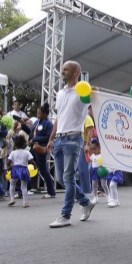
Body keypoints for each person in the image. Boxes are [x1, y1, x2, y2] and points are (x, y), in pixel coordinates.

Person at [47, 60, 95, 228]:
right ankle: (86, 202)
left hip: (74, 138)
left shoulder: (83, 91)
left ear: (76, 72)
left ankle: (65, 215)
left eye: (66, 69)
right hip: (59, 138)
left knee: (67, 177)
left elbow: (96, 104)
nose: (62, 72)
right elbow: (59, 117)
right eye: (62, 69)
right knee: (61, 177)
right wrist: (51, 138)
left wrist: (95, 93)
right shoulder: (60, 93)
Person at [29, 102, 55, 199]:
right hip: (32, 148)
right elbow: (31, 133)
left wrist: (35, 140)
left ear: (45, 114)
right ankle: (23, 190)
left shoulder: (48, 124)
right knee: (26, 167)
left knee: (43, 170)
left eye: (39, 113)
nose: (37, 115)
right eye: (37, 113)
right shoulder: (37, 122)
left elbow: (48, 137)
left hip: (40, 148)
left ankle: (51, 191)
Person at [7, 135, 36, 208]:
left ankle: (12, 199)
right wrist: (35, 166)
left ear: (15, 144)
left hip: (15, 169)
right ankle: (25, 202)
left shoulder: (13, 152)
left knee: (12, 183)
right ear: (24, 144)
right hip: (24, 169)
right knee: (23, 186)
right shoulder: (26, 152)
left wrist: (9, 167)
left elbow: (8, 162)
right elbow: (31, 161)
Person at [88, 138, 109, 205]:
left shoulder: (103, 154)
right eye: (92, 149)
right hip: (94, 170)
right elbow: (88, 160)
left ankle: (108, 196)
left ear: (99, 147)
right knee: (94, 184)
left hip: (102, 170)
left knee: (104, 184)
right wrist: (86, 153)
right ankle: (95, 197)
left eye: (94, 149)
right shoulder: (92, 155)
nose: (93, 151)